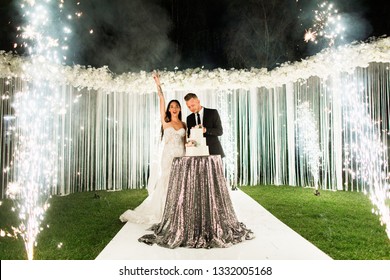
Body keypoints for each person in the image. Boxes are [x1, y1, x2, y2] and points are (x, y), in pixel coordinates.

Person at [119, 72, 186, 224]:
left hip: (181, 155)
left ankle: (178, 209)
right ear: (169, 110)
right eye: (172, 106)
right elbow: (161, 99)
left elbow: (186, 142)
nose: (174, 108)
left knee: (179, 182)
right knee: (167, 180)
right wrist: (158, 84)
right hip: (168, 156)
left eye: (176, 106)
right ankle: (163, 210)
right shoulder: (166, 122)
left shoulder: (184, 125)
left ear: (180, 109)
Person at [184, 93, 225, 157]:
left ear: (198, 101)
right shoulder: (189, 118)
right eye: (189, 107)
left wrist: (206, 130)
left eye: (193, 105)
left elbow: (220, 131)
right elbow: (190, 136)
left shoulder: (212, 113)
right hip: (197, 154)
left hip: (214, 152)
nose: (191, 108)